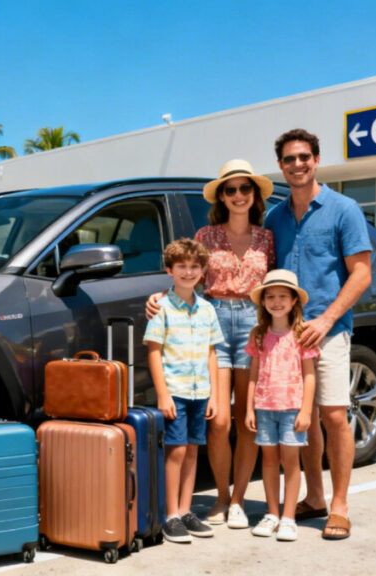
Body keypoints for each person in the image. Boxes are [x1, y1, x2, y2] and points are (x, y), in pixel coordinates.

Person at [148, 159, 275, 529]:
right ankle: (220, 496)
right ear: (222, 195)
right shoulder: (205, 235)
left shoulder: (267, 238)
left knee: (246, 421)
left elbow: (277, 287)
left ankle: (238, 501)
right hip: (213, 321)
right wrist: (159, 296)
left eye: (245, 188)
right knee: (218, 420)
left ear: (254, 195)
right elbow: (187, 278)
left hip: (254, 323)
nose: (238, 195)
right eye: (230, 189)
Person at [264, 129, 372, 540]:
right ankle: (314, 497)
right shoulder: (275, 217)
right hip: (285, 336)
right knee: (300, 421)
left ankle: (340, 505)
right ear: (280, 165)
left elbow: (360, 272)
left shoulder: (344, 209)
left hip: (328, 332)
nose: (297, 165)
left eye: (304, 157)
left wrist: (326, 320)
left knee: (332, 414)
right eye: (289, 159)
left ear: (317, 159)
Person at [143, 238, 225, 544]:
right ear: (169, 270)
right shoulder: (161, 308)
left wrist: (215, 395)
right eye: (182, 267)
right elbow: (154, 351)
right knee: (176, 451)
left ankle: (187, 510)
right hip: (175, 391)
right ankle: (171, 515)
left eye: (194, 267)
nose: (188, 272)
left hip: (200, 392)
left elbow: (211, 354)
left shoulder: (207, 310)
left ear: (203, 271)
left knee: (192, 450)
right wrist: (163, 394)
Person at [243, 269, 317, 542]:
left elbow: (310, 374)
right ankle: (272, 513)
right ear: (262, 301)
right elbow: (253, 374)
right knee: (269, 462)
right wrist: (250, 408)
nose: (276, 301)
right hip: (264, 408)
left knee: (291, 462)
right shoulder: (258, 335)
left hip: (292, 409)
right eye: (270, 296)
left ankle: (288, 518)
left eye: (282, 296)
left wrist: (306, 410)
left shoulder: (301, 334)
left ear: (294, 300)